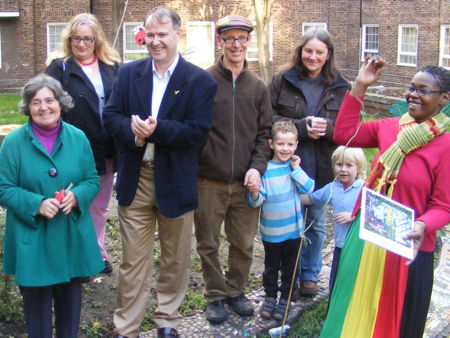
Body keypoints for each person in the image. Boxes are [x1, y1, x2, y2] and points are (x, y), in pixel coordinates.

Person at [102, 6, 216, 338]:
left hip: (176, 180)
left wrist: (156, 130)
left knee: (175, 258)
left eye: (161, 35)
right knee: (133, 262)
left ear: (178, 35)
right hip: (137, 178)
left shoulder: (199, 81)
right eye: (149, 35)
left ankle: (168, 320)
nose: (155, 42)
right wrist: (133, 132)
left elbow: (197, 132)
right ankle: (127, 327)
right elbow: (111, 117)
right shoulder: (128, 74)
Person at [321, 60, 450, 338]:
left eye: (423, 90)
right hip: (367, 238)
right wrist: (360, 86)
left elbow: (443, 206)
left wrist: (423, 225)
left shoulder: (445, 146)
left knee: (396, 325)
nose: (413, 95)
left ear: (444, 98)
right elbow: (344, 134)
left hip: (407, 248)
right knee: (352, 311)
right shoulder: (388, 128)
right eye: (411, 88)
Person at [0, 74, 102, 338]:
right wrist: (36, 203)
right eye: (36, 102)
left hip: (70, 236)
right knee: (37, 313)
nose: (44, 107)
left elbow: (92, 179)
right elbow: (3, 187)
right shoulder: (13, 143)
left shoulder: (78, 138)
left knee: (70, 311)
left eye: (49, 100)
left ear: (60, 103)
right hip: (32, 238)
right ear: (27, 107)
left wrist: (78, 195)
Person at [194, 14, 272, 324]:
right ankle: (215, 294)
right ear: (220, 42)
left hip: (246, 183)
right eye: (230, 39)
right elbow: (193, 129)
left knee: (242, 242)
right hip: (208, 181)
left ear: (248, 42)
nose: (236, 44)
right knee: (208, 243)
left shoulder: (258, 86)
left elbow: (266, 132)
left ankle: (236, 290)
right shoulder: (204, 81)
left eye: (242, 38)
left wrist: (257, 167)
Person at [269, 28, 350, 296]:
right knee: (288, 227)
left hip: (323, 168)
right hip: (287, 167)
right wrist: (301, 128)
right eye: (308, 51)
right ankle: (287, 276)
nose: (312, 57)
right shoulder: (283, 80)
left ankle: (310, 275)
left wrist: (327, 130)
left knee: (314, 226)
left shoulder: (341, 86)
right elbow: (267, 119)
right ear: (300, 51)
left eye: (319, 52)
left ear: (328, 56)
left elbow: (350, 128)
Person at [46, 13, 121, 274]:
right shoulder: (60, 68)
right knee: (74, 202)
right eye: (76, 38)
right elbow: (48, 107)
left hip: (107, 149)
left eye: (87, 39)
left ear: (96, 39)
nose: (81, 44)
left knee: (99, 206)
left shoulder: (111, 66)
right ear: (69, 39)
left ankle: (95, 254)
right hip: (73, 151)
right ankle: (72, 257)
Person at [247, 120, 314, 320]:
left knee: (290, 268)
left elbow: (309, 188)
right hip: (271, 232)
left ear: (296, 145)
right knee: (271, 267)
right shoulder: (265, 170)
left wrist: (296, 169)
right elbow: (256, 202)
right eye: (281, 144)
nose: (285, 148)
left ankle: (285, 298)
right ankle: (270, 297)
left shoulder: (293, 169)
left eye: (290, 144)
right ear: (271, 144)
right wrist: (253, 191)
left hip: (293, 231)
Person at [301, 146, 366, 294]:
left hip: (359, 247)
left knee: (354, 283)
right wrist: (284, 198)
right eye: (339, 164)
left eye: (349, 165)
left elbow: (372, 214)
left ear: (359, 167)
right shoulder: (332, 188)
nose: (343, 169)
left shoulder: (364, 187)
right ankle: (332, 310)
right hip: (340, 245)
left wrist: (353, 215)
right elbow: (310, 198)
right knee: (335, 282)